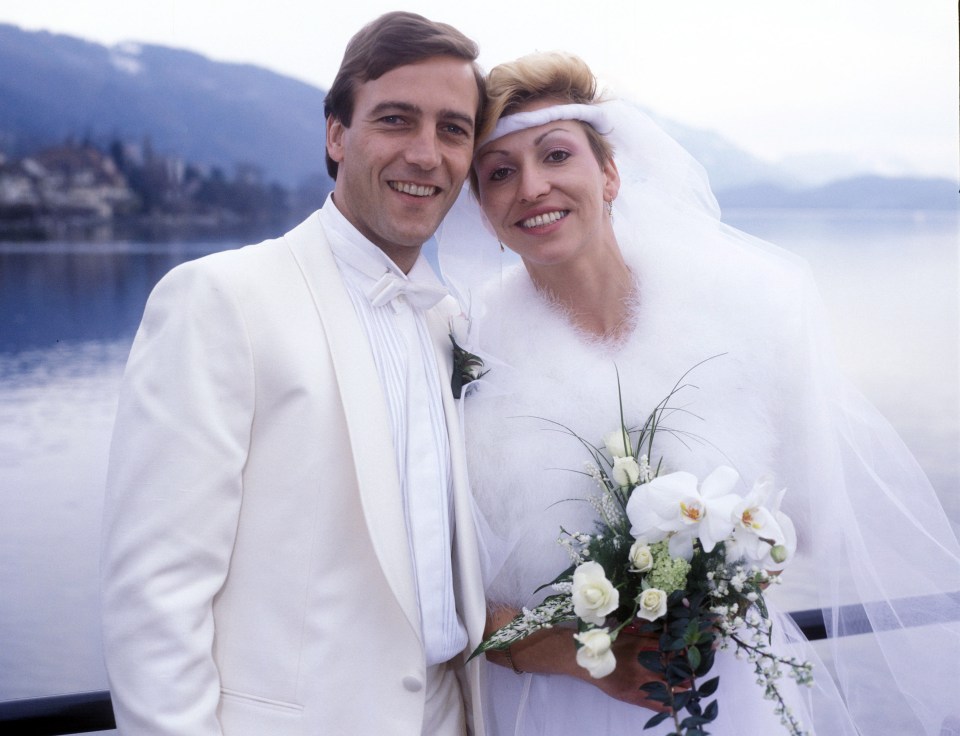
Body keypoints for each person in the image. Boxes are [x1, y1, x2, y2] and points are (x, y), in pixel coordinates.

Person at [438, 52, 960, 735]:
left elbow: (801, 515)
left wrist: (726, 571)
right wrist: (576, 654)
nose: (532, 187)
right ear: (481, 208)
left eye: (556, 155)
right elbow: (432, 587)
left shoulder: (738, 308)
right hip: (556, 709)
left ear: (610, 173)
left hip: (729, 693)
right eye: (499, 173)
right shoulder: (463, 348)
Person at [100, 11, 489, 735]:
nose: (426, 154)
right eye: (397, 120)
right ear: (337, 136)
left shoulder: (449, 322)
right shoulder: (222, 299)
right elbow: (156, 596)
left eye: (453, 129)